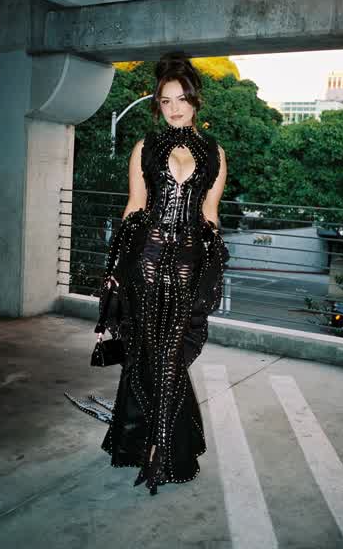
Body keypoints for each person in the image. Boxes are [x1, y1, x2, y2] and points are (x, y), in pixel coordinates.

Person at [72, 51, 229, 496]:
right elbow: (135, 206)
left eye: (181, 99)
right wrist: (114, 270)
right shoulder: (146, 147)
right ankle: (154, 448)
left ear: (195, 100)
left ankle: (154, 444)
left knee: (170, 356)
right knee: (146, 352)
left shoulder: (215, 153)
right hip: (145, 261)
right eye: (165, 101)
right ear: (158, 105)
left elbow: (210, 214)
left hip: (188, 266)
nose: (174, 108)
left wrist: (213, 267)